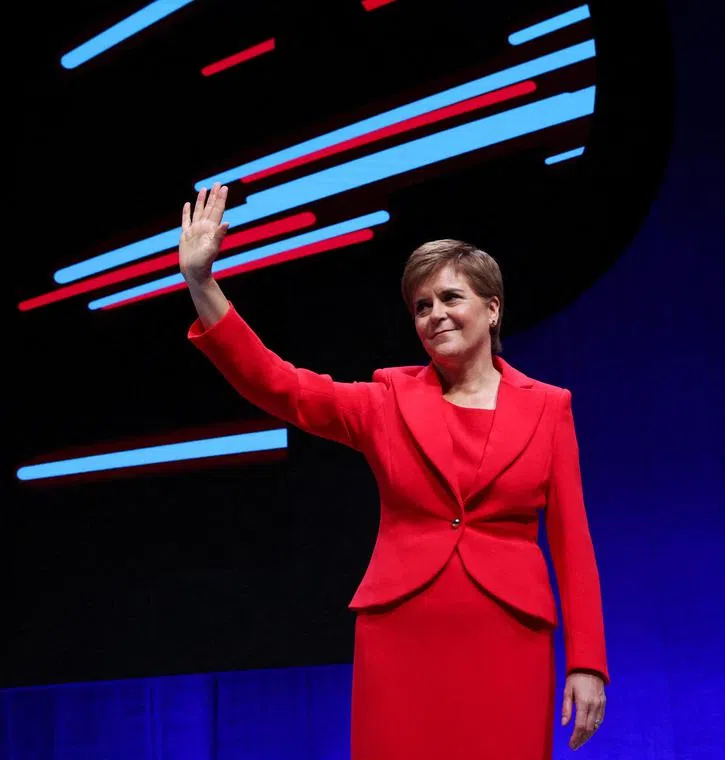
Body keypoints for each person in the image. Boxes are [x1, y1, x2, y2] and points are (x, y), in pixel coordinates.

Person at [179, 183, 609, 758]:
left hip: (510, 634)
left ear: (493, 307)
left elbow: (573, 542)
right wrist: (202, 284)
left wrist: (588, 663)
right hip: (403, 630)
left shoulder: (548, 408)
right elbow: (282, 385)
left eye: (451, 298)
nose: (435, 315)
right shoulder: (386, 401)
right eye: (422, 307)